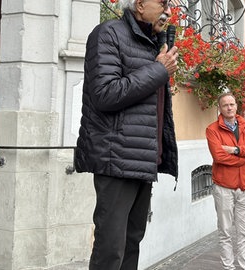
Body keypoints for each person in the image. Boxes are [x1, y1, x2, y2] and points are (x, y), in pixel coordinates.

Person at [74, 0, 179, 269]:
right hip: (116, 158)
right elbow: (105, 94)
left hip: (143, 159)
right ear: (140, 5)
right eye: (163, 3)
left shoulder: (151, 43)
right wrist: (158, 70)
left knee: (132, 243)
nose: (168, 10)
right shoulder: (108, 33)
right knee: (110, 250)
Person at [206, 92, 245, 270]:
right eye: (225, 105)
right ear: (220, 108)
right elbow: (219, 156)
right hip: (224, 187)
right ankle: (228, 267)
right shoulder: (212, 129)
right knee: (225, 231)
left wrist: (237, 151)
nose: (229, 108)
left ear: (236, 106)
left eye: (232, 104)